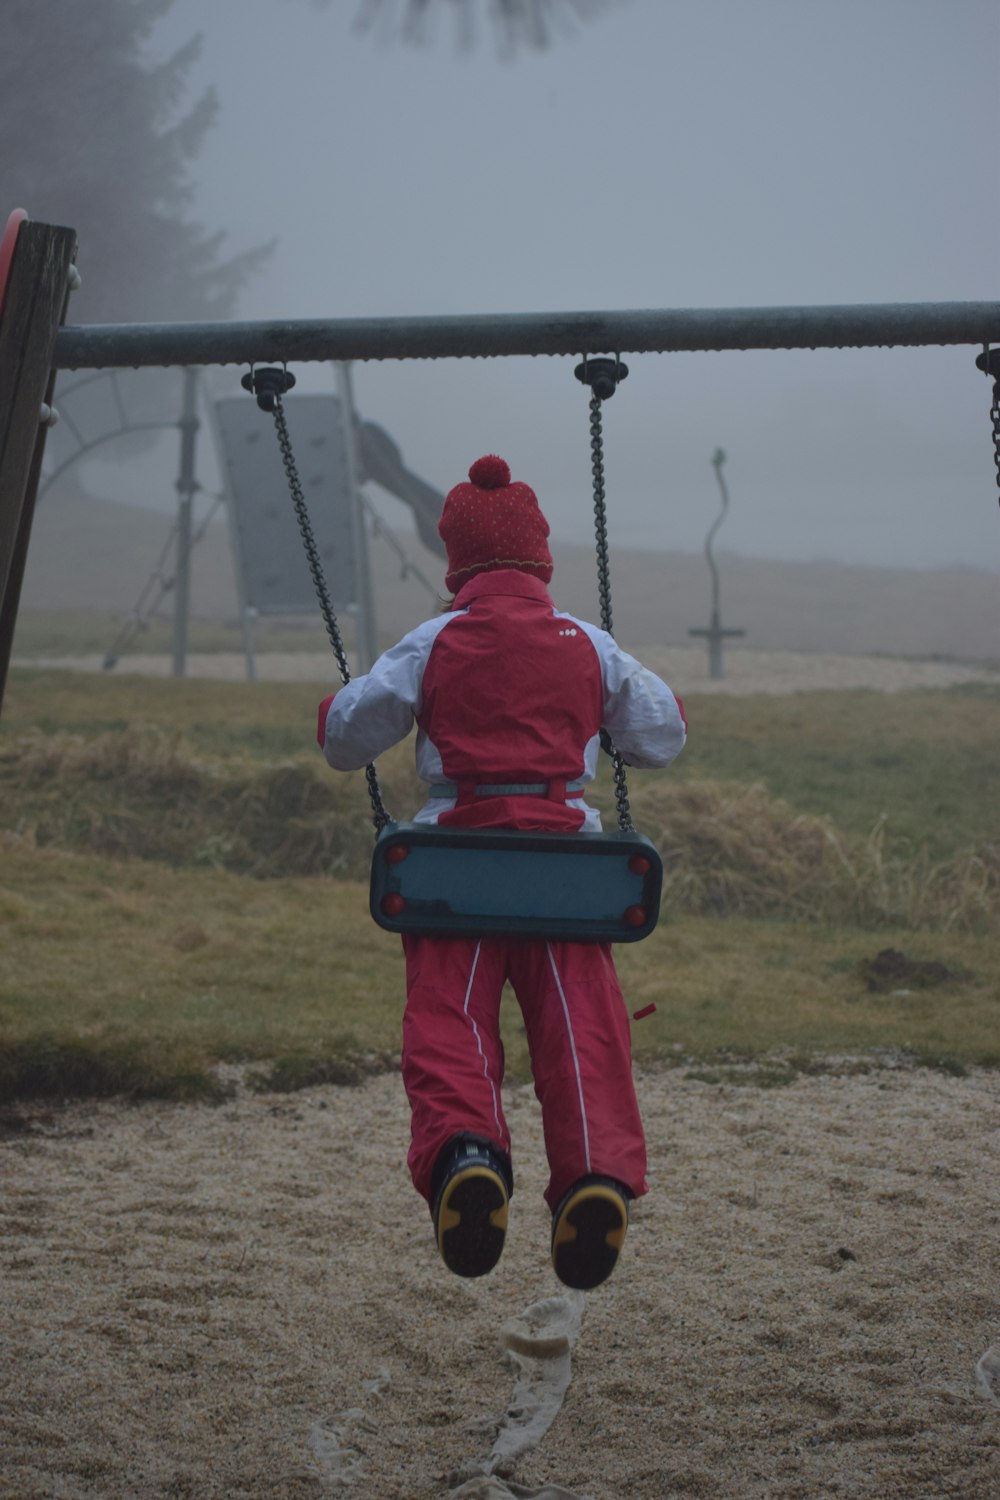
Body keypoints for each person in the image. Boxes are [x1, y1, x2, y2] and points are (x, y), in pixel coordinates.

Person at [318, 454, 686, 1290]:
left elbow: (347, 737)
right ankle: (595, 1177)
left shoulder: (436, 637)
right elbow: (663, 736)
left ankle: (466, 1155)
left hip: (459, 867)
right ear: (541, 562)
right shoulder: (588, 643)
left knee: (450, 1025)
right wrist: (602, 719)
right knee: (585, 1032)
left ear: (457, 567)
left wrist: (344, 710)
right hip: (569, 873)